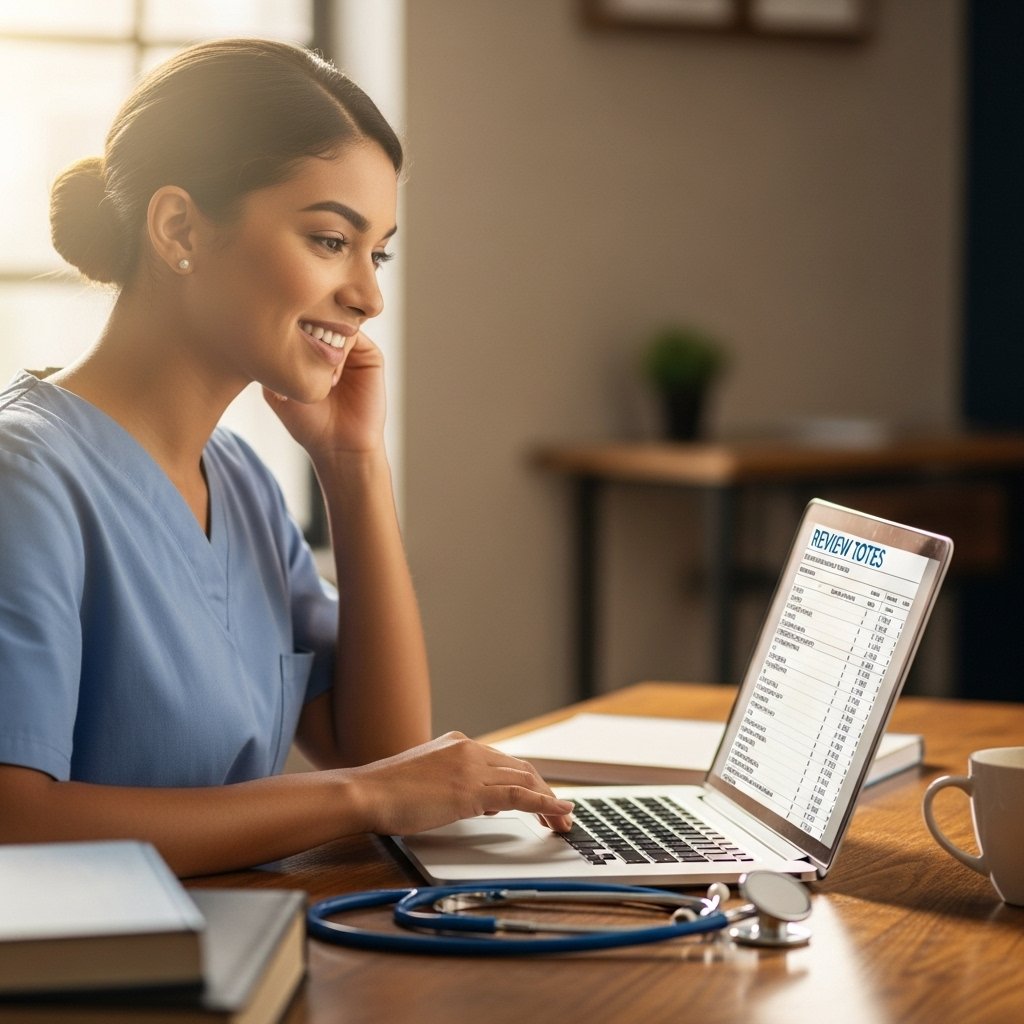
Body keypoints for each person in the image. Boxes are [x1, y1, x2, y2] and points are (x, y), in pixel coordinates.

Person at [0, 38, 573, 877]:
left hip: (248, 955)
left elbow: (382, 751)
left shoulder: (238, 482)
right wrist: (364, 797)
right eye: (330, 240)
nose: (369, 296)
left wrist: (352, 465)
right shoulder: (26, 479)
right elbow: (16, 822)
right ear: (179, 228)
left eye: (377, 252)